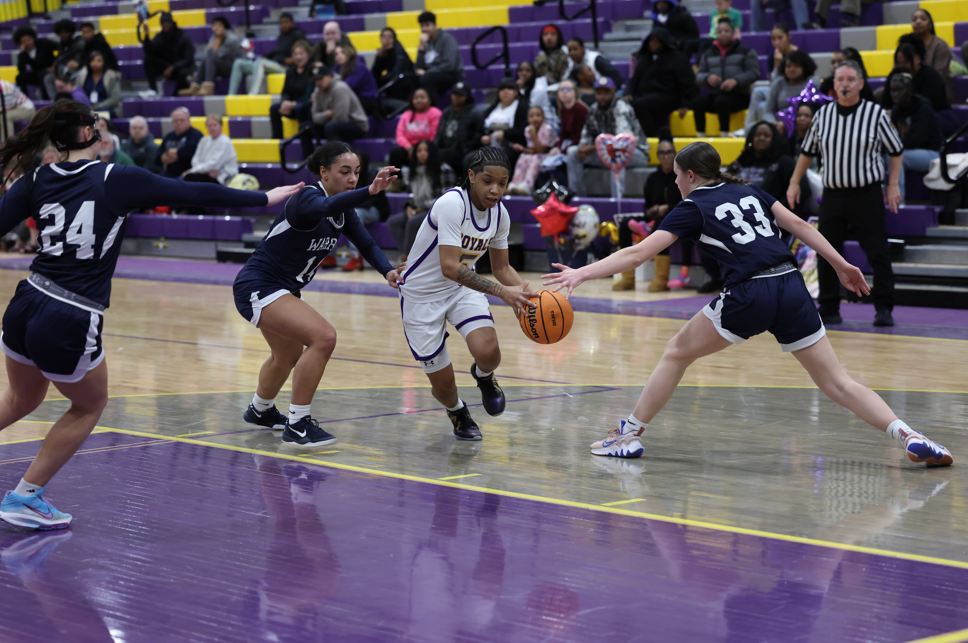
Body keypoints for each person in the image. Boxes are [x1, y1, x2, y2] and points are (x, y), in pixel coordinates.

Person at [543, 141, 953, 469]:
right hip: (792, 286)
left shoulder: (692, 205)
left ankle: (628, 435)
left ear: (689, 175)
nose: (677, 186)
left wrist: (580, 273)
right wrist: (842, 264)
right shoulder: (751, 191)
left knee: (675, 353)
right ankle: (909, 436)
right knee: (838, 383)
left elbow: (637, 255)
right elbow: (797, 224)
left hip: (751, 291)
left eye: (677, 178)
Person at [0, 100, 302, 530]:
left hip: (25, 300)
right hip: (70, 312)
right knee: (89, 405)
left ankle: (25, 495)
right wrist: (261, 197)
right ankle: (24, 497)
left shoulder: (35, 178)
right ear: (89, 134)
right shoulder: (115, 178)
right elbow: (191, 192)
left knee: (20, 398)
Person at [234, 142, 402, 446]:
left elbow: (366, 243)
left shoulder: (343, 208)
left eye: (357, 173)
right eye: (345, 172)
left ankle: (260, 410)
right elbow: (323, 209)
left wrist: (387, 271)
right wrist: (370, 191)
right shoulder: (308, 198)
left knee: (288, 354)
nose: (353, 179)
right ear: (323, 172)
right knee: (324, 337)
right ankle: (298, 423)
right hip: (259, 285)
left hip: (281, 288)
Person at [397, 147, 534, 441]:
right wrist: (502, 294)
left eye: (503, 182)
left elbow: (502, 268)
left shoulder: (500, 215)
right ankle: (457, 411)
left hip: (461, 289)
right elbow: (449, 266)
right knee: (444, 387)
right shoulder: (451, 204)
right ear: (471, 176)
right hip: (421, 297)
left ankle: (484, 376)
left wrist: (530, 297)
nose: (495, 189)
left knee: (489, 353)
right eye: (488, 181)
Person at [788, 60, 903, 328]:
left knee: (878, 252)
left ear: (861, 84)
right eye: (840, 79)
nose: (846, 84)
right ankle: (828, 307)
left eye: (851, 79)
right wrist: (794, 181)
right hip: (833, 195)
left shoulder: (875, 114)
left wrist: (894, 184)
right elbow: (807, 152)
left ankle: (883, 307)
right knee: (827, 251)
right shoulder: (823, 115)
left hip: (866, 194)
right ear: (834, 84)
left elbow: (896, 151)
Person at [612, 136, 685, 292]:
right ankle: (628, 278)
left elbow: (687, 203)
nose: (665, 157)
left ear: (675, 154)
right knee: (625, 224)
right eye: (662, 153)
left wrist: (668, 208)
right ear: (657, 156)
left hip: (677, 217)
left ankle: (661, 279)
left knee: (661, 225)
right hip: (655, 216)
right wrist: (650, 211)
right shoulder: (652, 178)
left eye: (669, 153)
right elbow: (647, 205)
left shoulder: (681, 176)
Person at [567, 76, 649, 199]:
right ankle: (578, 198)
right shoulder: (594, 109)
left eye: (606, 93)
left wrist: (592, 148)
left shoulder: (621, 107)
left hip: (636, 153)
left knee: (616, 154)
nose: (602, 97)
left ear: (613, 93)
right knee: (572, 152)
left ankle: (616, 201)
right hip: (605, 152)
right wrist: (582, 148)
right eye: (599, 93)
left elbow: (621, 143)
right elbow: (587, 134)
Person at [625, 27, 698, 136]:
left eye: (657, 41)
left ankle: (648, 138)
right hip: (645, 95)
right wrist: (628, 93)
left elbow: (687, 83)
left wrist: (687, 104)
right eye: (651, 40)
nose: (653, 44)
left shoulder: (677, 59)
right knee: (623, 104)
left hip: (668, 96)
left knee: (640, 104)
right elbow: (634, 80)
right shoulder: (644, 59)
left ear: (664, 42)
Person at [693, 18, 760, 138]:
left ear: (733, 33)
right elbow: (699, 76)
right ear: (716, 34)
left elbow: (754, 72)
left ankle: (724, 136)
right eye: (720, 31)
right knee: (698, 102)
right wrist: (707, 78)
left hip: (739, 96)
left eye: (727, 31)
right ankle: (700, 136)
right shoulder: (708, 53)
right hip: (715, 95)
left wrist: (736, 81)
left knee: (721, 102)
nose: (723, 34)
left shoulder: (746, 51)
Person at [387, 139, 452, 258]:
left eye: (426, 150)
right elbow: (414, 197)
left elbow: (447, 198)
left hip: (438, 211)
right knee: (393, 222)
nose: (422, 153)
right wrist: (409, 207)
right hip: (419, 209)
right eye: (419, 151)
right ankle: (410, 256)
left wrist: (421, 208)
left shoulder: (444, 170)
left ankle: (406, 259)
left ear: (432, 152)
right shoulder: (415, 171)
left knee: (413, 221)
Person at [884, 36, 958, 136]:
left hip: (938, 116)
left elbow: (928, 107)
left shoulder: (930, 75)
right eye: (898, 63)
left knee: (920, 121)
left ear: (917, 58)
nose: (902, 66)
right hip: (906, 118)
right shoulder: (894, 76)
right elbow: (885, 102)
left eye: (906, 62)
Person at [887, 72, 944, 203]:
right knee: (885, 157)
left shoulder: (922, 108)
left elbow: (913, 141)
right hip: (910, 152)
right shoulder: (896, 110)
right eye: (892, 90)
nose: (895, 94)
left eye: (899, 90)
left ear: (909, 90)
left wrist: (889, 145)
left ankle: (898, 204)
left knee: (897, 158)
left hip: (933, 153)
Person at [727, 122, 806, 212]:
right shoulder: (742, 161)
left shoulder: (785, 162)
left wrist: (777, 212)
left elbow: (802, 190)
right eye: (757, 135)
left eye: (767, 135)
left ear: (774, 139)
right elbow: (723, 183)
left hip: (770, 214)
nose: (761, 138)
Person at [743, 24, 801, 134]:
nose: (776, 42)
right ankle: (747, 128)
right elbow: (774, 85)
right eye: (773, 39)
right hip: (778, 90)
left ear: (789, 36)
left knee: (762, 106)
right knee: (757, 91)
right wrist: (776, 65)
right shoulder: (772, 57)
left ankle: (758, 130)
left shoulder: (799, 55)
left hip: (794, 90)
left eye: (780, 38)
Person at [229, 13, 305, 95]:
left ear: (292, 23)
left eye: (286, 22)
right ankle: (231, 95)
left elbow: (306, 50)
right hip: (275, 64)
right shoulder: (281, 37)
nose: (283, 25)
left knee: (259, 62)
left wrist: (293, 60)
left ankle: (253, 94)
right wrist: (268, 55)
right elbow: (279, 51)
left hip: (285, 68)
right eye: (281, 23)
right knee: (239, 63)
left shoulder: (298, 35)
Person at [305, 66, 370, 155]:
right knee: (306, 127)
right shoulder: (318, 90)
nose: (318, 82)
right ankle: (310, 158)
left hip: (356, 125)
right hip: (332, 123)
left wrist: (324, 117)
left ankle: (336, 159)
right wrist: (327, 114)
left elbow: (341, 118)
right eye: (316, 80)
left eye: (320, 79)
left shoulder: (340, 88)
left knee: (331, 127)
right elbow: (314, 116)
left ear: (330, 77)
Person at [470, 78, 530, 170]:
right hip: (488, 146)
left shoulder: (522, 107)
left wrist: (505, 134)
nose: (505, 91)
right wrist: (481, 138)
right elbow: (479, 130)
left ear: (516, 92)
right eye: (502, 89)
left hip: (510, 146)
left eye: (509, 89)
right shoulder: (492, 109)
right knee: (470, 158)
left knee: (497, 160)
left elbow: (523, 130)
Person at [180, 17, 245, 97]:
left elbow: (218, 55)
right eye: (214, 25)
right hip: (222, 65)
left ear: (224, 27)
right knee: (205, 60)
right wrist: (217, 40)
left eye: (219, 25)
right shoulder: (214, 37)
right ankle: (195, 86)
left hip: (235, 66)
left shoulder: (231, 39)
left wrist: (218, 40)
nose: (216, 28)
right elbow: (206, 54)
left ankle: (208, 88)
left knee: (211, 59)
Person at [269, 40, 314, 140]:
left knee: (299, 107)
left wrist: (294, 104)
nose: (298, 57)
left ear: (308, 54)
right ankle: (277, 140)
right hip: (290, 106)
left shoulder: (312, 70)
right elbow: (285, 91)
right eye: (295, 54)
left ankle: (304, 139)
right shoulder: (290, 71)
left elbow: (309, 95)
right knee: (274, 108)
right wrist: (285, 103)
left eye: (301, 54)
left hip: (306, 106)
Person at [762, 50, 816, 134]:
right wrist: (774, 124)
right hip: (777, 127)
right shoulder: (778, 83)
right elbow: (768, 111)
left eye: (796, 66)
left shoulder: (812, 83)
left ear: (805, 67)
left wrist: (787, 124)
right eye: (788, 66)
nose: (792, 69)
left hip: (803, 127)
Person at [142, 13, 196, 96]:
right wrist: (146, 36)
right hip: (167, 67)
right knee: (148, 60)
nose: (165, 25)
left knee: (184, 74)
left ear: (172, 23)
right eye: (163, 23)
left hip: (181, 67)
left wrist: (173, 67)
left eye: (167, 22)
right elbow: (149, 52)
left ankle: (175, 96)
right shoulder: (160, 36)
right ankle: (153, 90)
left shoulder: (183, 37)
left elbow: (188, 59)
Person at [389, 88, 442, 172]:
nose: (419, 100)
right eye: (416, 98)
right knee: (396, 153)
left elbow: (435, 135)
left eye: (422, 97)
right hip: (410, 148)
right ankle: (397, 181)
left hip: (428, 148)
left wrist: (421, 150)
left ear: (429, 100)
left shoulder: (435, 113)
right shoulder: (407, 114)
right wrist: (409, 148)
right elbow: (400, 134)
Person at [509, 106, 558, 196]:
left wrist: (534, 135)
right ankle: (515, 184)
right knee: (523, 156)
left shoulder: (547, 129)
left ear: (544, 118)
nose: (535, 118)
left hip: (547, 155)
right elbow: (532, 149)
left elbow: (541, 150)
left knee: (535, 158)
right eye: (531, 116)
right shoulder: (527, 129)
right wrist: (522, 149)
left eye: (538, 115)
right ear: (528, 119)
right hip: (536, 153)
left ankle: (527, 187)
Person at [414, 11, 464, 96]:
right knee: (408, 78)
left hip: (451, 75)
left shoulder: (447, 39)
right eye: (422, 26)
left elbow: (449, 65)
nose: (424, 29)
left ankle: (431, 107)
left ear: (435, 25)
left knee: (427, 78)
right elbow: (418, 67)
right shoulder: (424, 42)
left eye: (427, 25)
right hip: (431, 74)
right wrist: (421, 48)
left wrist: (427, 72)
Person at [910, 8, 953, 103]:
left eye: (923, 19)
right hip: (910, 88)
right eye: (914, 19)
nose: (918, 22)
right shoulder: (907, 45)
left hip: (936, 90)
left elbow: (938, 76)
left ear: (930, 25)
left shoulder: (940, 45)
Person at [434, 81, 476, 176]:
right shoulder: (446, 113)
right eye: (454, 94)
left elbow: (475, 137)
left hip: (462, 151)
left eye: (460, 94)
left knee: (441, 155)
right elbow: (439, 134)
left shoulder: (473, 114)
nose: (456, 97)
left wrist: (467, 148)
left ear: (467, 97)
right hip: (446, 148)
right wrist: (432, 148)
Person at [183, 115, 238, 185]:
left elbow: (214, 164)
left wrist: (193, 170)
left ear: (221, 126)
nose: (212, 128)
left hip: (223, 177)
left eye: (215, 125)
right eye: (209, 125)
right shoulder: (204, 140)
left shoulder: (225, 141)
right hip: (206, 174)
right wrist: (205, 171)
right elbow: (195, 160)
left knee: (189, 177)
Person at [372, 27, 414, 109]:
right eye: (384, 36)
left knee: (396, 83)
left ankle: (402, 108)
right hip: (394, 77)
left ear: (394, 39)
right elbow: (374, 74)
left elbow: (398, 70)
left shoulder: (399, 50)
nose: (386, 39)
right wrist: (379, 56)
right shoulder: (383, 51)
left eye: (389, 36)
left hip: (406, 77)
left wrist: (385, 78)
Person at [157, 107, 204, 178]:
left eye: (182, 120)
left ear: (188, 120)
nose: (179, 123)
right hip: (168, 174)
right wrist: (172, 154)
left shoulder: (196, 135)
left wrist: (174, 154)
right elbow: (157, 158)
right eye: (175, 121)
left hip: (188, 174)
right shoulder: (169, 136)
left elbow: (190, 153)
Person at [14, 27, 58, 100]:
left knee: (43, 75)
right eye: (23, 41)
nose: (27, 43)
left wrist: (55, 64)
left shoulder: (44, 43)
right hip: (37, 73)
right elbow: (21, 69)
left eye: (29, 39)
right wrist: (22, 54)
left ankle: (46, 100)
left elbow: (60, 48)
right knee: (19, 78)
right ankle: (24, 99)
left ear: (33, 38)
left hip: (49, 71)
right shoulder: (23, 54)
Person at [334, 44, 378, 115]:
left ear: (349, 53)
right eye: (336, 54)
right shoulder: (339, 68)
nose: (339, 56)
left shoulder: (359, 67)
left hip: (367, 99)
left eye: (342, 52)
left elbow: (347, 86)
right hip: (353, 97)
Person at [48, 20, 86, 100]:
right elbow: (59, 59)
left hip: (76, 70)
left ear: (70, 32)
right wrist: (56, 68)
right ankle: (55, 100)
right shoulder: (61, 44)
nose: (63, 35)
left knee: (80, 75)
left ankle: (78, 98)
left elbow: (82, 58)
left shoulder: (78, 42)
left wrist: (78, 63)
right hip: (64, 71)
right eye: (61, 33)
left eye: (65, 32)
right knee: (48, 78)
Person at [515, 61, 557, 132]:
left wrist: (519, 90)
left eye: (528, 71)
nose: (523, 73)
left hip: (547, 123)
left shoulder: (538, 88)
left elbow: (527, 109)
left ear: (533, 73)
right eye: (520, 70)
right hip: (530, 121)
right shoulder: (515, 86)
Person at [82, 52, 122, 119]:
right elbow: (79, 92)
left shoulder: (111, 76)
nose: (95, 63)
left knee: (101, 115)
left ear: (104, 62)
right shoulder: (83, 75)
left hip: (107, 108)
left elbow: (115, 98)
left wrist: (98, 106)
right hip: (87, 108)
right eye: (92, 60)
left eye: (99, 60)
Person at [781, 102, 819, 168]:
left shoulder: (819, 141)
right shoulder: (788, 143)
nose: (802, 118)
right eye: (799, 115)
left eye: (806, 116)